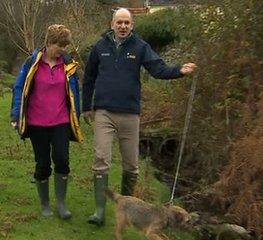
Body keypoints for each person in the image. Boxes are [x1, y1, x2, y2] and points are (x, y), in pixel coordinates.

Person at [82, 8, 196, 226]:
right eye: (119, 22)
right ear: (112, 24)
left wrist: (179, 70)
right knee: (101, 159)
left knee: (131, 165)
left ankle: (125, 209)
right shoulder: (100, 47)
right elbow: (89, 78)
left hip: (130, 113)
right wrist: (86, 106)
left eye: (127, 22)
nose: (123, 26)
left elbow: (158, 69)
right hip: (104, 112)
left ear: (132, 25)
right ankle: (99, 211)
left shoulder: (141, 47)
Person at [10, 24, 83, 219]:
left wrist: (78, 115)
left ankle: (61, 203)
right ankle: (44, 204)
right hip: (36, 123)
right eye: (60, 44)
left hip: (61, 122)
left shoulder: (68, 65)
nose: (62, 49)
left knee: (62, 160)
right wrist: (16, 115)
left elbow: (75, 93)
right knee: (42, 163)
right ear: (49, 43)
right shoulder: (32, 63)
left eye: (65, 45)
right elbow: (19, 88)